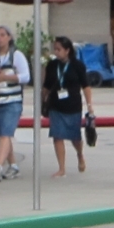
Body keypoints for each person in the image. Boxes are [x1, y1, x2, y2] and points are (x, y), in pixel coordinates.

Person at [0, 25, 31, 182]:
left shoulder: (17, 55)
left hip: (12, 101)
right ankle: (14, 166)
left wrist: (7, 78)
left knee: (5, 133)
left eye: (3, 35)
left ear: (9, 37)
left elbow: (26, 76)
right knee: (3, 134)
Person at [43, 36, 94, 177]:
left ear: (67, 50)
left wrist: (90, 105)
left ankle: (79, 154)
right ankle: (61, 168)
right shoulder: (52, 65)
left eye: (59, 49)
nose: (56, 52)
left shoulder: (77, 66)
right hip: (55, 105)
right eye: (55, 49)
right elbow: (46, 86)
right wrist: (43, 100)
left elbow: (86, 86)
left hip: (73, 106)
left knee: (74, 136)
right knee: (57, 135)